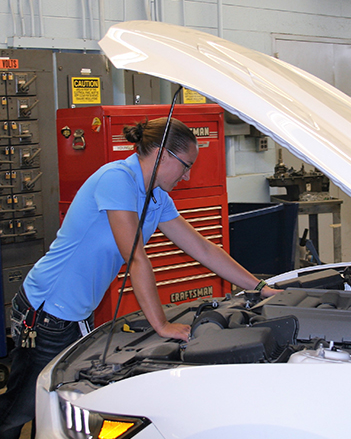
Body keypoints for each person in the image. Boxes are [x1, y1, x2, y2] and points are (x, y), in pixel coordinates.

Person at [0, 117, 279, 438]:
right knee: (16, 412)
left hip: (75, 315)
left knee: (53, 404)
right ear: (161, 154)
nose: (188, 175)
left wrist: (260, 287)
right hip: (45, 312)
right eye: (186, 165)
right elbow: (135, 256)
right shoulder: (116, 180)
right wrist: (161, 324)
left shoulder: (156, 197)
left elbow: (204, 249)